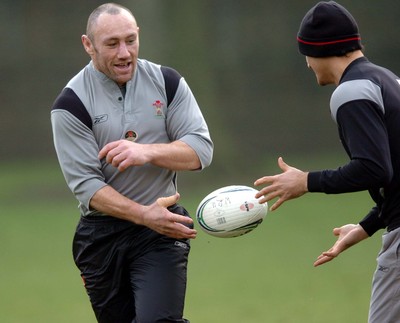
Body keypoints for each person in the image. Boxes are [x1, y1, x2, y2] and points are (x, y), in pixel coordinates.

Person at [51, 3, 213, 323]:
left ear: (139, 35)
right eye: (112, 44)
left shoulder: (168, 83)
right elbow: (86, 187)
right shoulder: (70, 105)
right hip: (101, 237)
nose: (125, 52)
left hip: (161, 230)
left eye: (131, 40)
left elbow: (201, 150)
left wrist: (146, 152)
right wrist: (143, 215)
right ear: (88, 45)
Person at [254, 1, 400, 322]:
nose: (308, 65)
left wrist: (305, 181)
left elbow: (374, 169)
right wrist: (365, 227)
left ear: (321, 50)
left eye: (306, 54)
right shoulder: (387, 79)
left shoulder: (351, 92)